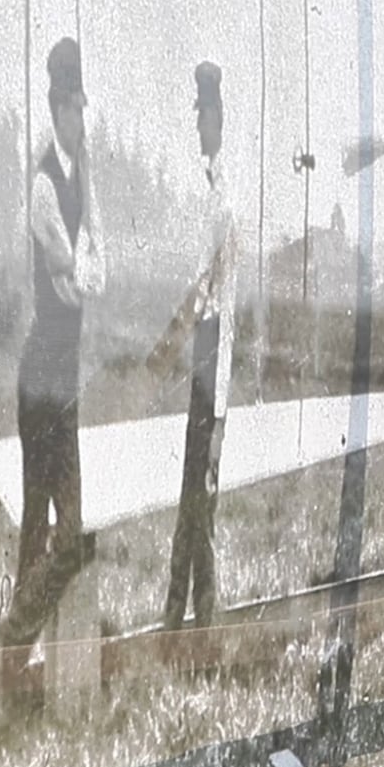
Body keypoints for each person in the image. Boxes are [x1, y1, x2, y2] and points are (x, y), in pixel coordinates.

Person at [0, 35, 105, 674]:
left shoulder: (78, 177)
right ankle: (15, 653)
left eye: (82, 108)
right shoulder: (42, 187)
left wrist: (87, 262)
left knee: (61, 532)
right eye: (70, 108)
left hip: (62, 375)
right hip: (41, 374)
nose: (78, 119)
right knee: (46, 527)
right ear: (55, 108)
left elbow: (98, 267)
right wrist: (83, 264)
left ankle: (14, 643)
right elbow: (71, 265)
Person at [150, 59, 237, 630]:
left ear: (219, 121)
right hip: (205, 345)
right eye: (197, 117)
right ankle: (179, 612)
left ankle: (194, 616)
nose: (200, 127)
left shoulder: (223, 194)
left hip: (213, 344)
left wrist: (165, 348)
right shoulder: (208, 187)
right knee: (192, 486)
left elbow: (206, 285)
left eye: (206, 117)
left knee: (200, 486)